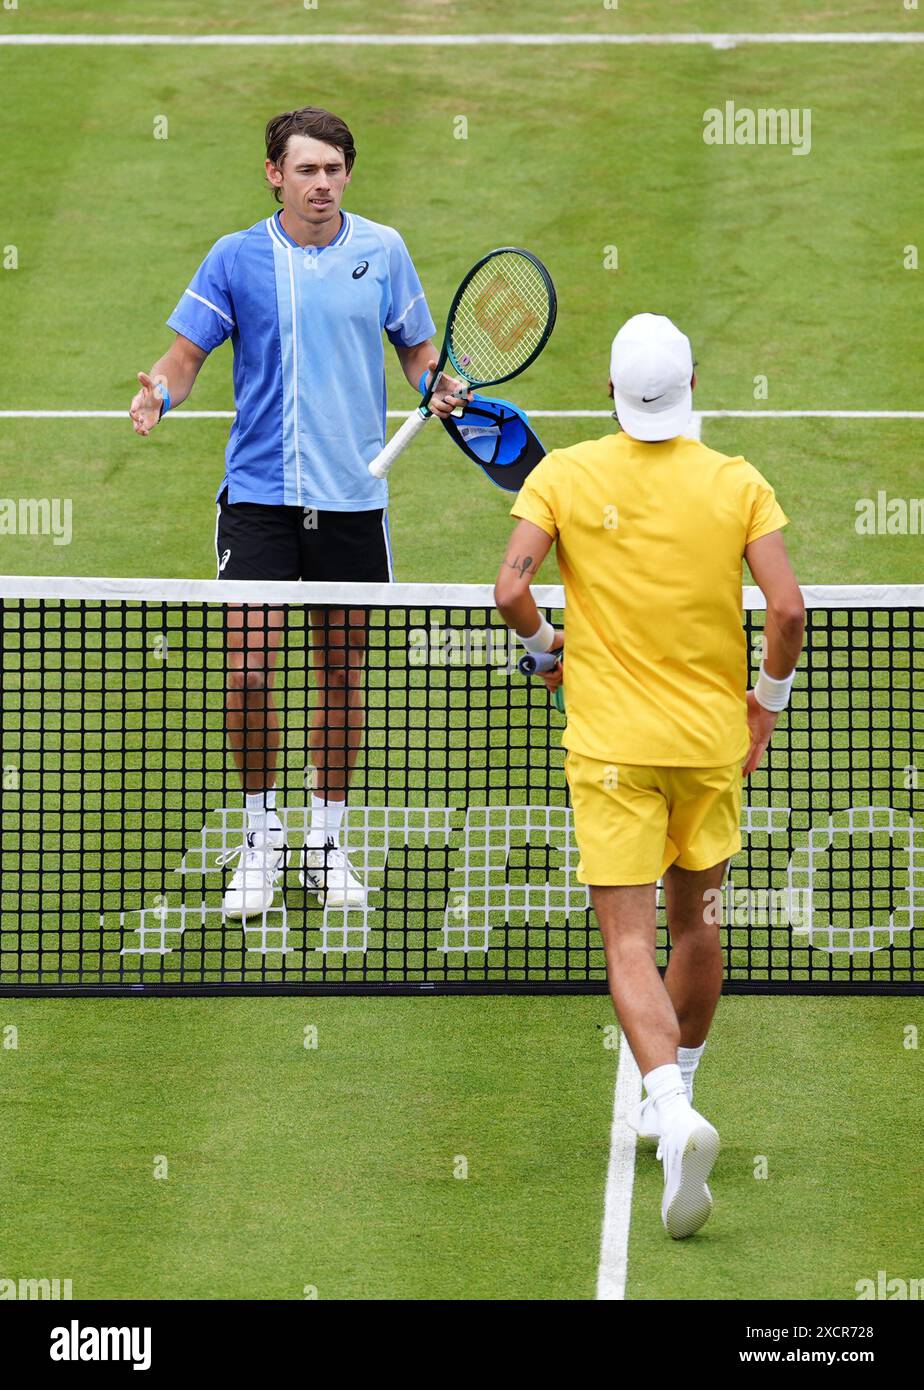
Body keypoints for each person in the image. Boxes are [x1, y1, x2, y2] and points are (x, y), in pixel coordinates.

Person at [494, 312, 805, 1238]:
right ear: (694, 384)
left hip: (612, 754)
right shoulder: (738, 483)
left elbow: (510, 590)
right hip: (711, 751)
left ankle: (668, 1110)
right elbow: (787, 610)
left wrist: (549, 649)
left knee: (628, 942)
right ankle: (685, 1088)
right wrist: (766, 706)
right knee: (698, 923)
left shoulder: (563, 475)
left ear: (611, 392)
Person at [129, 106, 464, 917]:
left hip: (353, 499)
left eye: (334, 169)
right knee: (248, 669)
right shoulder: (235, 257)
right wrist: (161, 390)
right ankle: (258, 836)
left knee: (342, 673)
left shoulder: (382, 251)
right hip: (259, 499)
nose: (322, 183)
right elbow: (188, 351)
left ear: (348, 173)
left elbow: (418, 349)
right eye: (306, 169)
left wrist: (437, 384)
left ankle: (324, 838)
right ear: (274, 174)